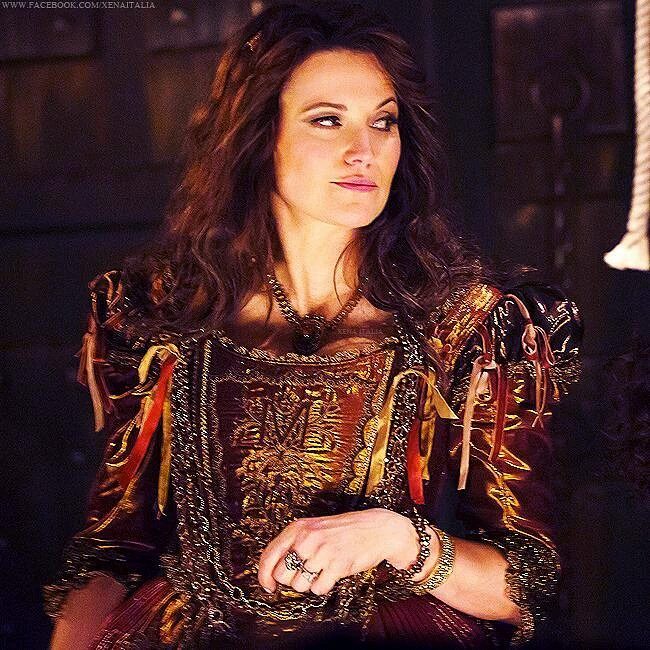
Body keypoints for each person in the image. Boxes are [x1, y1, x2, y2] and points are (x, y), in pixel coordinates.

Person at [44, 2, 582, 648]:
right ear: (258, 137)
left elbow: (525, 586)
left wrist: (399, 540)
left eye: (383, 122)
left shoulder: (471, 325)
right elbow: (112, 551)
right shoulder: (161, 317)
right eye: (328, 120)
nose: (364, 151)